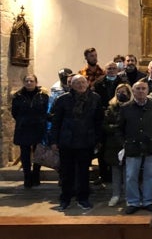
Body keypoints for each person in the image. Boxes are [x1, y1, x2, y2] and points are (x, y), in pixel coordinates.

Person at [50, 75, 103, 211]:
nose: (80, 85)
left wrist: (98, 139)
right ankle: (65, 198)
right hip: (67, 141)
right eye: (77, 83)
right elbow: (56, 122)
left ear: (87, 83)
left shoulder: (95, 98)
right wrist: (54, 141)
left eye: (83, 82)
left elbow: (98, 121)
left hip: (86, 140)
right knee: (66, 172)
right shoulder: (63, 99)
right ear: (71, 85)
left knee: (83, 172)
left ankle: (83, 198)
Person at [119, 80, 152, 214]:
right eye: (138, 89)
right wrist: (124, 143)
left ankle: (148, 201)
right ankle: (133, 202)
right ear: (133, 91)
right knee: (131, 175)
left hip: (150, 146)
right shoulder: (126, 108)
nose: (141, 91)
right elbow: (119, 129)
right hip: (132, 147)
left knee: (150, 175)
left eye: (143, 89)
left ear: (147, 91)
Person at [11, 74, 49, 188]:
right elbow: (15, 112)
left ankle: (36, 175)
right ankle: (27, 177)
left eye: (31, 81)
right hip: (24, 128)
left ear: (36, 82)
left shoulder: (43, 95)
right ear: (24, 82)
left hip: (38, 127)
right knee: (25, 153)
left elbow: (45, 110)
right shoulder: (18, 96)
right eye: (27, 81)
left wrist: (41, 120)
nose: (29, 83)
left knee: (38, 152)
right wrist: (23, 120)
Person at [102, 83, 132, 207]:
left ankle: (128, 196)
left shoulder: (132, 107)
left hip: (128, 142)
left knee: (128, 172)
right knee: (116, 171)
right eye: (119, 92)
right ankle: (115, 195)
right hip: (113, 144)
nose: (121, 94)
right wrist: (116, 128)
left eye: (124, 92)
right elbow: (104, 125)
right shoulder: (111, 108)